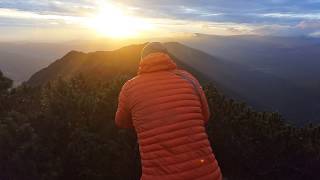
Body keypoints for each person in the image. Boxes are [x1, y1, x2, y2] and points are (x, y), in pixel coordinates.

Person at [115, 42, 222, 180]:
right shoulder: (189, 79)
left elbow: (120, 122)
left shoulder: (129, 87)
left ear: (142, 60)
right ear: (167, 57)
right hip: (208, 174)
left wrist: (144, 122)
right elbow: (205, 116)